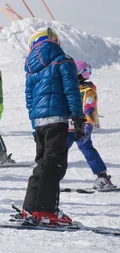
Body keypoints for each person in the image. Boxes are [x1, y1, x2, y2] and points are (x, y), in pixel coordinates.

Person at [22, 27, 85, 226]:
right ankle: (46, 210)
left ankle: (30, 208)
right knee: (55, 164)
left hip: (40, 124)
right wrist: (77, 116)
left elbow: (30, 101)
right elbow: (72, 89)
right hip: (57, 120)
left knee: (42, 164)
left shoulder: (31, 69)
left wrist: (35, 126)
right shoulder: (63, 60)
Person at [67, 60, 116, 191]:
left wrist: (88, 125)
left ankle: (102, 177)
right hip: (71, 122)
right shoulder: (72, 88)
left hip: (83, 123)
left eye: (73, 74)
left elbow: (89, 107)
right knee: (61, 146)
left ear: (81, 75)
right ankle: (50, 175)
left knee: (86, 147)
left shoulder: (88, 90)